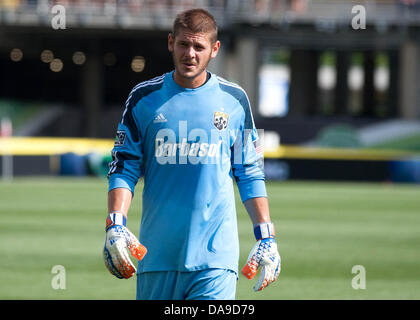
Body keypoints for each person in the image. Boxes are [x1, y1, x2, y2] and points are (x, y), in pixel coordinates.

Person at [103, 8, 281, 300]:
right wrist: (115, 223)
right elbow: (124, 166)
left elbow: (249, 171)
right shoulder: (142, 98)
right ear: (171, 43)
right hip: (157, 257)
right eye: (184, 44)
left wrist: (266, 236)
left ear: (214, 49)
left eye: (199, 46)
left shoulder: (235, 100)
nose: (190, 53)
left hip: (215, 261)